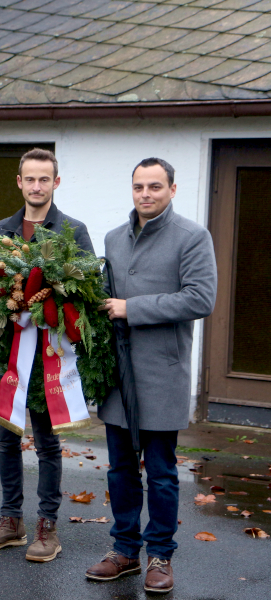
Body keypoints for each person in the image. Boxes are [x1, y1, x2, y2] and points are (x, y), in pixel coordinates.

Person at [86, 158, 216, 594]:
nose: (146, 194)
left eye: (155, 186)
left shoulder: (193, 237)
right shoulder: (112, 239)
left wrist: (132, 308)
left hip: (161, 373)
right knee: (121, 469)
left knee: (160, 471)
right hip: (119, 376)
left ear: (172, 190)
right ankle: (124, 551)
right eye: (139, 186)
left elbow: (200, 299)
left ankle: (160, 555)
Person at [0, 148, 93, 562]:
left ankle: (47, 528)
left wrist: (51, 300)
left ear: (55, 183)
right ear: (19, 182)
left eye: (45, 179)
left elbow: (90, 291)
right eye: (30, 179)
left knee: (47, 445)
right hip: (6, 356)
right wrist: (2, 301)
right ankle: (10, 522)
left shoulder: (73, 231)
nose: (37, 186)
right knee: (5, 439)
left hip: (48, 359)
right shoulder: (1, 229)